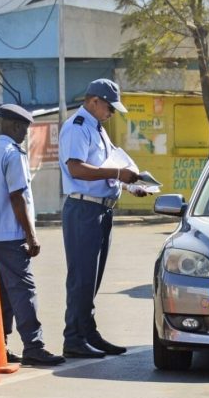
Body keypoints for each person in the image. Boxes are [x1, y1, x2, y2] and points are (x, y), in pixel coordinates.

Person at [58, 78, 145, 358]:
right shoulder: (78, 127)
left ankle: (87, 332)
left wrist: (130, 183)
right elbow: (77, 169)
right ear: (93, 101)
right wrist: (118, 175)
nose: (111, 113)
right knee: (81, 278)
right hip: (83, 209)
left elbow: (109, 165)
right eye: (109, 107)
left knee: (92, 279)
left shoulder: (98, 129)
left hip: (100, 208)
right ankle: (73, 337)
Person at [0, 104, 65, 366]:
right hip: (9, 234)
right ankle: (33, 346)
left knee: (0, 292)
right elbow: (17, 196)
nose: (25, 133)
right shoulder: (13, 155)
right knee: (24, 291)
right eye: (24, 128)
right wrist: (31, 236)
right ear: (14, 126)